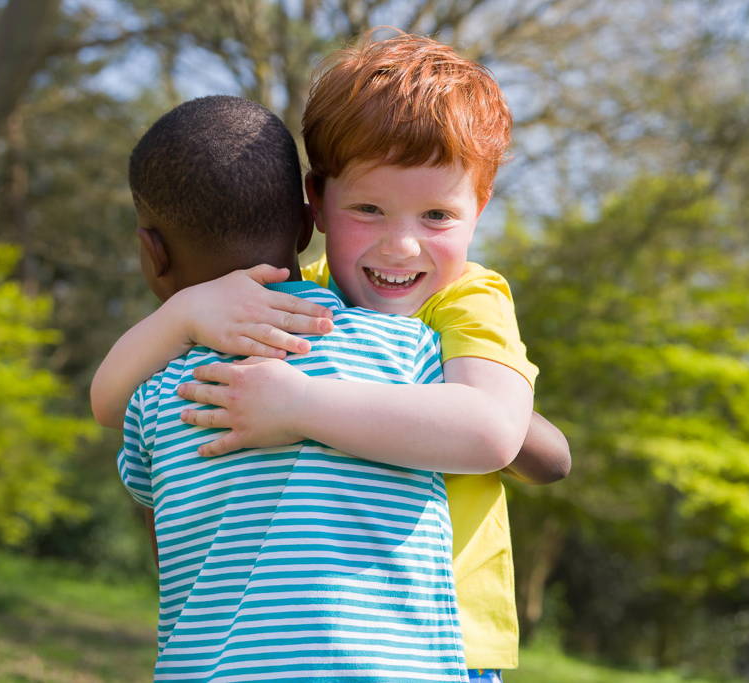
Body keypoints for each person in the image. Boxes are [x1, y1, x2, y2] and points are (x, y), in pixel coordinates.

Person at [91, 32, 571, 682]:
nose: (401, 246)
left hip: (439, 633)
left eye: (437, 215)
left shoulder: (466, 297)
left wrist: (299, 404)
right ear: (315, 203)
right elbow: (114, 402)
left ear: (479, 208)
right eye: (369, 209)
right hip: (294, 634)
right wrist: (184, 313)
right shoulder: (297, 299)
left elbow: (496, 430)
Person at [115, 94, 471, 681]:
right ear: (309, 225)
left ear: (152, 254)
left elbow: (164, 541)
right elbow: (488, 432)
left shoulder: (154, 396)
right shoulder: (405, 350)